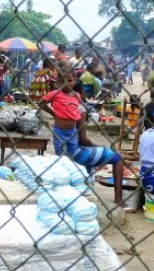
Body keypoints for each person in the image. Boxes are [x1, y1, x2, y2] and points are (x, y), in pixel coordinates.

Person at [38, 68, 125, 205]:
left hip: (73, 145)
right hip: (75, 150)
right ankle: (118, 199)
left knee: (65, 157)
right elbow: (84, 140)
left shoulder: (76, 104)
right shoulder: (76, 106)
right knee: (118, 157)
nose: (68, 84)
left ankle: (78, 181)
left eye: (71, 81)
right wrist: (99, 146)